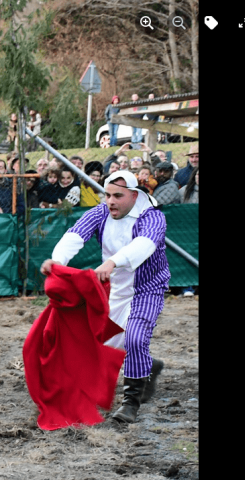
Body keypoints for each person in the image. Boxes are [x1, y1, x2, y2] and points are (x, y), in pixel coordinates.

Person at [41, 170, 168, 424]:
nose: (110, 201)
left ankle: (130, 403)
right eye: (107, 195)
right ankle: (147, 365)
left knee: (134, 337)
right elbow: (75, 235)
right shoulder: (100, 213)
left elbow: (143, 245)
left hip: (147, 288)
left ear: (134, 195)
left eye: (117, 196)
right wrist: (57, 263)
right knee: (102, 344)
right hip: (112, 289)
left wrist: (112, 262)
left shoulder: (153, 217)